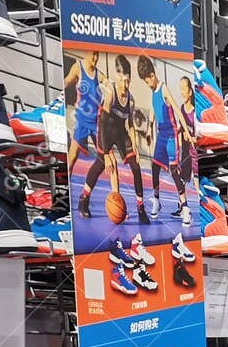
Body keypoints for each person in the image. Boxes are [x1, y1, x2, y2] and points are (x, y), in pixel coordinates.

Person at [79, 54, 150, 225]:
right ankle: (84, 199)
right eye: (123, 80)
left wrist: (134, 147)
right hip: (104, 129)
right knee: (103, 164)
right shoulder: (110, 91)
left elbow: (131, 125)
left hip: (120, 132)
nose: (126, 85)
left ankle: (141, 208)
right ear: (117, 76)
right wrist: (105, 153)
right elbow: (102, 121)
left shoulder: (131, 100)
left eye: (128, 81)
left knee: (135, 165)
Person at [136, 56, 188, 222]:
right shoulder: (153, 92)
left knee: (173, 171)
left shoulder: (163, 89)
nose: (147, 84)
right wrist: (149, 129)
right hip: (161, 136)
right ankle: (157, 201)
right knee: (155, 168)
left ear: (152, 75)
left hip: (172, 135)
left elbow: (177, 111)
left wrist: (185, 129)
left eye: (147, 81)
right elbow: (153, 110)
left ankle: (185, 207)